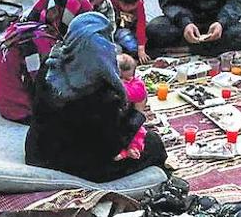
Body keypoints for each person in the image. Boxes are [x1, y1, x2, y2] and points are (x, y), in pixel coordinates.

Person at [25, 11, 167, 182]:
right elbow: (113, 146)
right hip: (73, 164)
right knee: (153, 143)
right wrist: (138, 112)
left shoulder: (51, 64)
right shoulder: (101, 93)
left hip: (37, 150)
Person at [0, 0, 92, 123]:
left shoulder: (41, 19)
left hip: (10, 96)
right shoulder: (38, 42)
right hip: (19, 108)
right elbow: (44, 85)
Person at [111, 0, 150, 64]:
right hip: (118, 31)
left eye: (133, 5)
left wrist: (141, 47)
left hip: (133, 29)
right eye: (125, 5)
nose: (129, 8)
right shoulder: (112, 4)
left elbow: (141, 24)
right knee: (127, 41)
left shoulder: (139, 5)